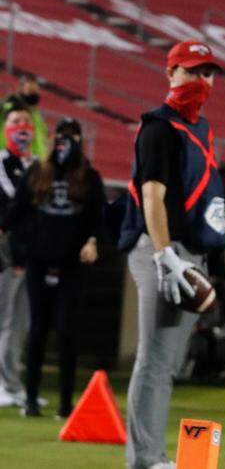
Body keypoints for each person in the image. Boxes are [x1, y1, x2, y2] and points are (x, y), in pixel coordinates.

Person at [119, 40, 225, 469]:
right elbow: (152, 196)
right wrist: (165, 255)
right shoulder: (158, 127)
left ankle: (149, 455)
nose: (201, 80)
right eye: (192, 70)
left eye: (208, 72)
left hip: (191, 251)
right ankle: (144, 459)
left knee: (169, 362)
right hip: (163, 250)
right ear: (171, 73)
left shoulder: (200, 128)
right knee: (155, 360)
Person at [2, 118, 103, 418]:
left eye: (73, 136)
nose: (66, 142)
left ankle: (65, 403)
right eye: (62, 136)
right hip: (38, 260)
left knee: (67, 331)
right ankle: (31, 399)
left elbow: (98, 216)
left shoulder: (89, 177)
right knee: (37, 331)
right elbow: (16, 211)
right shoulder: (37, 173)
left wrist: (93, 241)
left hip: (72, 264)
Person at [0, 104, 35, 407]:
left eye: (25, 121)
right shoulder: (2, 163)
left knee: (20, 323)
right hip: (6, 256)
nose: (21, 127)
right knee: (3, 320)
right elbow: (16, 200)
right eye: (14, 121)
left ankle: (11, 382)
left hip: (30, 257)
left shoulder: (36, 164)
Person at [2, 74, 48, 160]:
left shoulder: (37, 115)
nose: (34, 93)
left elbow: (42, 139)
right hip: (11, 157)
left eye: (36, 90)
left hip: (34, 161)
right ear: (21, 89)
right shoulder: (8, 108)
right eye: (30, 90)